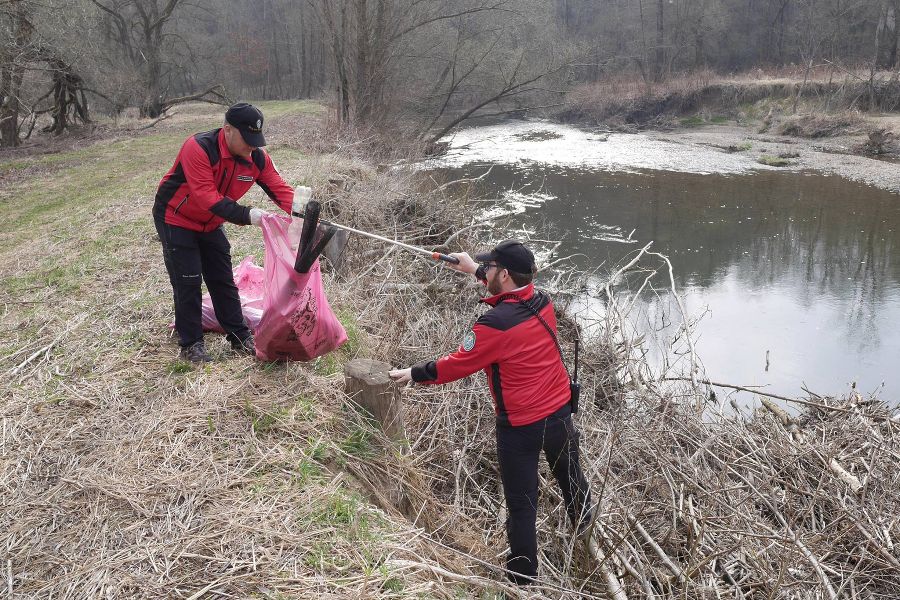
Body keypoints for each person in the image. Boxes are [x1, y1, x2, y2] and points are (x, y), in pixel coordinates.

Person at [389, 240, 593, 585]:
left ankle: (523, 580)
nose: (488, 270)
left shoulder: (495, 324)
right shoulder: (543, 302)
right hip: (560, 413)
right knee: (572, 478)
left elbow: (456, 365)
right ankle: (587, 534)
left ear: (506, 274)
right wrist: (474, 270)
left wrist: (414, 373)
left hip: (520, 427)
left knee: (522, 504)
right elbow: (511, 290)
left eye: (492, 267)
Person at [153, 102, 294, 363]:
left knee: (222, 278)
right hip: (176, 217)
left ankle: (239, 337)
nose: (253, 146)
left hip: (211, 222)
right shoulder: (199, 148)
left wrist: (303, 211)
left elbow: (279, 189)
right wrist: (250, 215)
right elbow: (206, 196)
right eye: (247, 139)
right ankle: (191, 344)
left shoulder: (257, 159)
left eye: (257, 139)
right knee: (188, 280)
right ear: (227, 130)